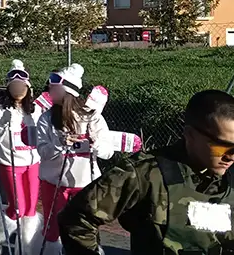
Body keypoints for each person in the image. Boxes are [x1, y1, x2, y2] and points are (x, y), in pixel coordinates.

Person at [59, 89, 234, 254]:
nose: (231, 157)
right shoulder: (144, 174)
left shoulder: (230, 178)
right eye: (222, 146)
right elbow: (76, 219)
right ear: (190, 135)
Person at [35, 63, 113, 254]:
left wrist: (96, 145)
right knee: (53, 231)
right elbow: (42, 151)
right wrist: (59, 144)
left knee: (84, 231)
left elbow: (108, 151)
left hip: (84, 185)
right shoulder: (46, 118)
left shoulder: (92, 117)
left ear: (66, 90)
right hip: (53, 183)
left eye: (54, 86)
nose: (49, 89)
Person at [0, 59, 43, 254]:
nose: (18, 88)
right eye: (14, 85)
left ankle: (25, 249)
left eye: (21, 85)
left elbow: (43, 134)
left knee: (31, 209)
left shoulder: (35, 109)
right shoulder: (1, 111)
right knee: (17, 208)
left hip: (32, 162)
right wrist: (2, 125)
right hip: (10, 162)